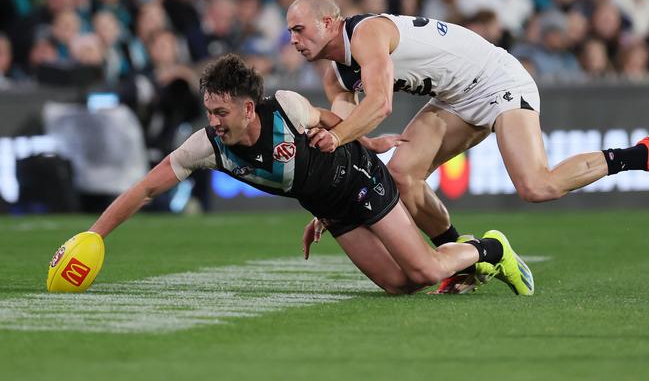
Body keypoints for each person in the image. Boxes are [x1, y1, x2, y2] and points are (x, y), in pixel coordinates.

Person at [286, 0, 649, 293]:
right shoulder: (336, 78)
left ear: (330, 23)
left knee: (538, 186)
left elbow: (378, 105)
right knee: (401, 175)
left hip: (496, 80)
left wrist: (336, 135)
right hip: (454, 98)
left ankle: (639, 154)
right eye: (290, 32)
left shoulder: (366, 34)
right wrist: (327, 205)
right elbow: (348, 141)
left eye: (300, 29)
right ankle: (465, 257)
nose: (293, 40)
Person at [87, 53, 534, 296]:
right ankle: (471, 254)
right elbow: (146, 188)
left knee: (422, 271)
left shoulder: (285, 107)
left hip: (359, 180)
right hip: (330, 208)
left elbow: (329, 119)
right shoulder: (206, 147)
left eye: (221, 112)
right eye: (208, 111)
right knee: (399, 286)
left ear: (247, 107)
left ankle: (489, 246)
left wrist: (369, 143)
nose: (214, 121)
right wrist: (93, 237)